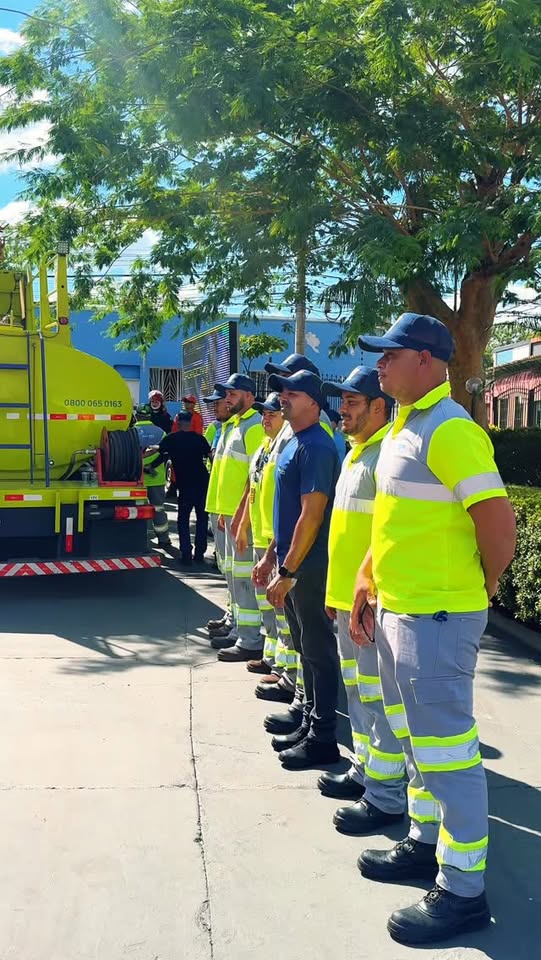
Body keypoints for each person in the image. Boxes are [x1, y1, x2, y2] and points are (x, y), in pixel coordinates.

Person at [350, 313, 516, 945]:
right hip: (400, 609)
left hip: (438, 617)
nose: (380, 366)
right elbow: (392, 524)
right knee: (418, 744)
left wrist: (479, 592)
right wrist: (369, 581)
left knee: (449, 756)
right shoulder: (403, 428)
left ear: (426, 360)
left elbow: (500, 527)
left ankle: (463, 891)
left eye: (390, 356)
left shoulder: (450, 430)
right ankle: (423, 844)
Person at [319, 367, 406, 833]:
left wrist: (367, 595)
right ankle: (366, 771)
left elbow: (386, 538)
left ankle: (386, 796)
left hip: (369, 607)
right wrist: (337, 595)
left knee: (377, 700)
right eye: (343, 402)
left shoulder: (384, 457)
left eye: (352, 402)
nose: (343, 410)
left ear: (378, 406)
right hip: (346, 601)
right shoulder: (357, 454)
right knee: (357, 693)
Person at [253, 370, 341, 770]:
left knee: (318, 649)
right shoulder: (294, 443)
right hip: (291, 561)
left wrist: (288, 570)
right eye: (282, 392)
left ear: (314, 402)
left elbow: (312, 514)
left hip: (310, 566)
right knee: (304, 647)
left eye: (293, 393)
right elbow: (287, 514)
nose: (283, 398)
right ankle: (309, 721)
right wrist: (272, 553)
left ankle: (324, 737)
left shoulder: (318, 447)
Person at [234, 392, 292, 701]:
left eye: (272, 413)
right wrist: (243, 522)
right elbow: (253, 488)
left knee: (282, 612)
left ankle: (287, 672)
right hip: (261, 536)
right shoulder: (265, 447)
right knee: (268, 608)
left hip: (275, 540)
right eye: (264, 413)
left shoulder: (285, 446)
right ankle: (273, 660)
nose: (266, 417)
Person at [213, 373, 265, 662]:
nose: (228, 398)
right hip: (229, 513)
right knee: (234, 574)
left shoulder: (253, 426)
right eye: (228, 394)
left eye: (234, 394)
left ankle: (250, 638)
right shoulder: (235, 425)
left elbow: (252, 478)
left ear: (249, 396)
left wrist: (242, 516)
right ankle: (240, 630)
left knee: (245, 577)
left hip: (241, 516)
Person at [156, 412, 211, 564]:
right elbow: (210, 456)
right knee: (202, 519)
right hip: (202, 483)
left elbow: (158, 453)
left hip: (185, 486)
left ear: (178, 422)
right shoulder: (199, 438)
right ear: (191, 422)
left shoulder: (172, 439)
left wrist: (148, 466)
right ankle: (199, 554)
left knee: (183, 519)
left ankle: (186, 553)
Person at [203, 388, 236, 637]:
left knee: (239, 574)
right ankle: (232, 615)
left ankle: (243, 627)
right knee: (228, 570)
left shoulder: (246, 428)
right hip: (220, 508)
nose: (214, 407)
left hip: (235, 513)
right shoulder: (222, 428)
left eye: (218, 403)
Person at [134, 411, 171, 547]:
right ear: (149, 417)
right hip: (157, 478)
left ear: (136, 416)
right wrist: (152, 466)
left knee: (138, 510)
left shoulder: (131, 432)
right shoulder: (161, 432)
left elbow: (130, 454)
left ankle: (141, 538)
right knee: (158, 508)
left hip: (138, 478)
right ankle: (163, 539)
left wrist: (143, 467)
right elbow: (165, 453)